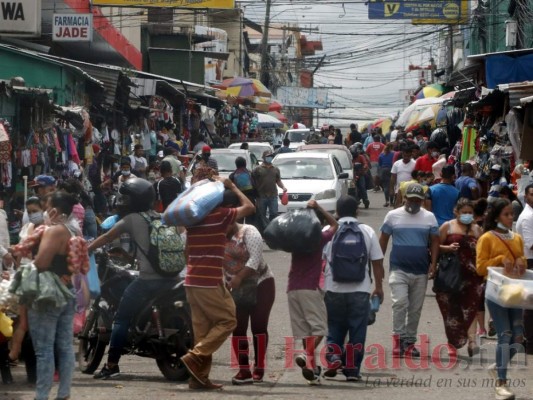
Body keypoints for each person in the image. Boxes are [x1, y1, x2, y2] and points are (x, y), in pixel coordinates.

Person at [90, 178, 181, 380]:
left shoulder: (132, 219)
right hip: (173, 278)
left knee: (121, 318)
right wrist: (131, 258)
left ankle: (112, 364)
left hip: (149, 281)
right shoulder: (163, 217)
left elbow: (106, 238)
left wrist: (84, 249)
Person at [180, 178, 255, 390]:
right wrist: (231, 186)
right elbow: (250, 207)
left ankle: (199, 378)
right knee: (229, 320)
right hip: (209, 281)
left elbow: (186, 252)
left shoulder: (194, 219)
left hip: (192, 280)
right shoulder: (221, 215)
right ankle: (195, 356)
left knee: (202, 331)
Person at [26, 191, 82, 400]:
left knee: (44, 349)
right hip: (67, 291)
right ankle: (64, 393)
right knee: (65, 346)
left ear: (55, 211)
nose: (43, 212)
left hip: (48, 293)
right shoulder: (74, 229)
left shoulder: (55, 231)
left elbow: (41, 262)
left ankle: (41, 395)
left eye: (45, 206)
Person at [322, 195, 384, 381]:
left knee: (334, 326)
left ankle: (333, 357)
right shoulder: (367, 231)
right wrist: (378, 287)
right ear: (357, 210)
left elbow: (320, 261)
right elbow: (377, 261)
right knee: (357, 330)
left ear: (337, 212)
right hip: (361, 289)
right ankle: (351, 370)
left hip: (333, 288)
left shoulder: (328, 229)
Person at [379, 183, 439, 357]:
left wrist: (433, 263)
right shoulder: (392, 216)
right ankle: (398, 340)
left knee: (415, 308)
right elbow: (383, 240)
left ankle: (410, 342)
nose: (414, 203)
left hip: (420, 270)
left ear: (422, 201)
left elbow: (435, 241)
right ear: (404, 198)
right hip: (398, 268)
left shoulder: (429, 217)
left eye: (417, 200)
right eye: (411, 199)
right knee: (400, 303)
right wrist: (378, 263)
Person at [221, 191, 275, 385]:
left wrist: (239, 277)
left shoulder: (249, 231)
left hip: (261, 282)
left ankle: (259, 368)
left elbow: (255, 258)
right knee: (238, 328)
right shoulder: (218, 238)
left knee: (259, 326)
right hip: (236, 287)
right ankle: (243, 371)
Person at [476, 198, 526, 400]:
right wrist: (498, 260)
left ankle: (498, 366)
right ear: (496, 216)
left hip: (514, 291)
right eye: (506, 214)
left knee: (518, 338)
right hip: (496, 291)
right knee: (504, 334)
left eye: (511, 214)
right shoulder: (487, 238)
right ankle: (501, 384)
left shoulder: (517, 238)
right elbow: (480, 267)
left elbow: (519, 262)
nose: (510, 218)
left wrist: (520, 263)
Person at [289, 200, 338, 385]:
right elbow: (335, 224)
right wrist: (319, 208)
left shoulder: (294, 239)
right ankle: (305, 354)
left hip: (292, 288)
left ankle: (312, 369)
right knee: (320, 328)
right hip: (310, 288)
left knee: (306, 332)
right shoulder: (318, 237)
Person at [435, 198, 484, 357]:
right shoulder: (447, 226)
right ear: (456, 212)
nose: (467, 215)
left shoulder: (477, 230)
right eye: (464, 212)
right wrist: (447, 248)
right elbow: (435, 247)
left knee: (471, 308)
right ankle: (452, 343)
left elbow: (483, 253)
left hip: (472, 276)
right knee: (450, 310)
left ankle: (472, 341)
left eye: (470, 213)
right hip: (450, 275)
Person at [515, 183, 533, 355]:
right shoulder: (527, 217)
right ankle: (529, 342)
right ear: (526, 196)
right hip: (530, 262)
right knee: (529, 305)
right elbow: (531, 244)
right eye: (532, 194)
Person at [252, 151, 287, 233]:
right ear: (263, 157)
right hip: (261, 196)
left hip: (273, 195)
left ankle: (272, 230)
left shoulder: (275, 169)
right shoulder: (257, 169)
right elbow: (252, 182)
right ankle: (262, 232)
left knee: (274, 214)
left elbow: (278, 181)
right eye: (268, 156)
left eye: (271, 156)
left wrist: (283, 187)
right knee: (261, 215)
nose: (269, 158)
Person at [390, 144, 416, 208]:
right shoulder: (397, 164)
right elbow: (393, 177)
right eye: (405, 155)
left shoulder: (415, 164)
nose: (406, 157)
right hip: (398, 190)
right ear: (402, 154)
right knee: (397, 207)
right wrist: (391, 189)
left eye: (408, 155)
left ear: (411, 155)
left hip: (410, 190)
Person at [378, 143, 395, 207]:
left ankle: (387, 201)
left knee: (386, 187)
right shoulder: (393, 154)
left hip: (384, 170)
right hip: (392, 169)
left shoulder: (381, 155)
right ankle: (392, 202)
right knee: (392, 186)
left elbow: (380, 164)